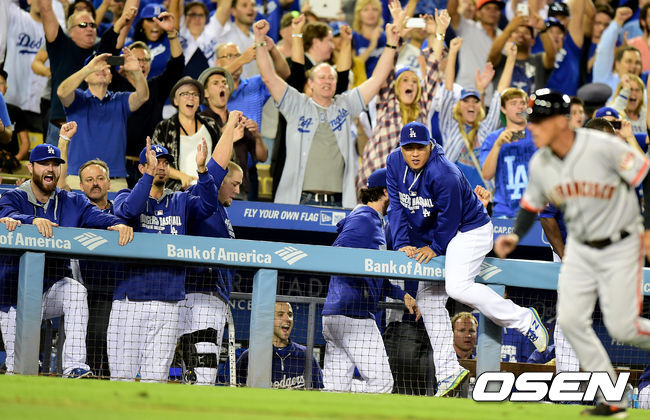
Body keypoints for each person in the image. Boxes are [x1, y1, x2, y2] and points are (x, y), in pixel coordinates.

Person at [494, 89, 650, 417]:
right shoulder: (542, 162)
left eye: (539, 120)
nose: (532, 126)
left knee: (624, 328)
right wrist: (515, 235)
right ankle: (612, 398)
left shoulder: (603, 145)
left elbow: (645, 176)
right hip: (580, 247)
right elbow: (532, 205)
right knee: (569, 321)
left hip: (620, 243)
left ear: (561, 122)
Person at [386, 122, 548, 397]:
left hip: (470, 230)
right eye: (408, 148)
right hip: (438, 235)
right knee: (428, 300)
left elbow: (449, 220)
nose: (414, 153)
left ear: (430, 146)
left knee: (457, 287)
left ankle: (523, 319)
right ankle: (448, 371)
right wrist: (402, 243)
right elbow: (397, 205)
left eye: (419, 148)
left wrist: (435, 247)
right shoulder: (393, 162)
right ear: (400, 148)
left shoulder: (444, 173)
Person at [0, 143, 133, 378]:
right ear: (31, 168)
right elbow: (5, 213)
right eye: (44, 164)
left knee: (75, 292)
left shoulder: (71, 200)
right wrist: (31, 221)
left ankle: (73, 366)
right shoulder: (14, 196)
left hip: (51, 287)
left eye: (55, 164)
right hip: (14, 296)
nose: (50, 169)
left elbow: (96, 215)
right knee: (17, 367)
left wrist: (116, 223)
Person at [255, 18, 402, 208]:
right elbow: (268, 77)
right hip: (300, 201)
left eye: (331, 78)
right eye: (322, 77)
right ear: (310, 83)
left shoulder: (345, 105)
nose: (327, 81)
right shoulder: (296, 104)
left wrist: (391, 44)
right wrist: (259, 40)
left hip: (339, 202)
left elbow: (378, 79)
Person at [109, 138, 218, 382]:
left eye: (165, 162)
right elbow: (129, 211)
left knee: (156, 378)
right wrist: (148, 176)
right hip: (131, 301)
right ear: (141, 168)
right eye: (154, 161)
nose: (161, 166)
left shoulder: (180, 200)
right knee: (122, 376)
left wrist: (202, 171)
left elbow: (209, 206)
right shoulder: (124, 195)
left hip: (169, 302)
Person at [322, 167, 420, 393]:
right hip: (353, 314)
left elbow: (373, 273)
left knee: (336, 389)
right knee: (382, 383)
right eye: (396, 190)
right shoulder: (364, 219)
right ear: (386, 192)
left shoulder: (372, 221)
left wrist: (402, 295)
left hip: (337, 315)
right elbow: (337, 253)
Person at [179, 111, 245, 385]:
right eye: (234, 184)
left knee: (197, 375)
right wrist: (228, 128)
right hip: (199, 295)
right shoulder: (201, 199)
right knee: (202, 377)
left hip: (211, 297)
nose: (238, 190)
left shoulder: (221, 211)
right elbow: (216, 167)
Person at [356, 10, 449, 192]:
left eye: (414, 81)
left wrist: (438, 33)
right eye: (405, 80)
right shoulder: (387, 101)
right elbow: (387, 68)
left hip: (407, 184)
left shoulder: (422, 106)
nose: (410, 84)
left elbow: (432, 68)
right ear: (396, 87)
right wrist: (398, 36)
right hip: (375, 179)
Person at [109, 11, 185, 188]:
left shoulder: (156, 87)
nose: (141, 64)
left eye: (146, 60)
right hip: (117, 165)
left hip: (149, 166)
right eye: (137, 60)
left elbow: (177, 65)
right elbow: (103, 58)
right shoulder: (114, 84)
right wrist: (121, 60)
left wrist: (172, 33)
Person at [57, 49, 149, 190]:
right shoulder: (77, 99)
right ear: (86, 77)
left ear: (111, 77)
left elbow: (143, 96)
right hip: (78, 179)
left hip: (114, 181)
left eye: (105, 67)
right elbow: (62, 92)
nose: (101, 70)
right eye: (96, 66)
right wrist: (88, 68)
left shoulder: (120, 100)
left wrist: (136, 72)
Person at [438, 37, 516, 189]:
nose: (471, 105)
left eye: (475, 101)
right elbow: (448, 90)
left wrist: (511, 59)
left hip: (483, 198)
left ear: (480, 106)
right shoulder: (450, 126)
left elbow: (500, 94)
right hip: (455, 195)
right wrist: (452, 53)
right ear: (459, 106)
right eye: (466, 101)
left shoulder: (486, 129)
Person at [198, 67, 268, 198]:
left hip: (240, 191)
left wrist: (257, 136)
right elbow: (201, 157)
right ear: (206, 93)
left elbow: (262, 157)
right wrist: (229, 137)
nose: (222, 86)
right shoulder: (200, 121)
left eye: (224, 83)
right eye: (216, 83)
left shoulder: (240, 119)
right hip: (213, 189)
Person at [151, 77, 221, 190]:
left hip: (209, 191)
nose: (191, 98)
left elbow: (222, 158)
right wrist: (181, 176)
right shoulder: (164, 128)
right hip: (176, 193)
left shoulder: (211, 125)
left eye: (195, 94)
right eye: (185, 94)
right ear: (175, 100)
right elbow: (155, 162)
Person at [236, 301, 324, 389]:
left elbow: (318, 391)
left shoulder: (306, 355)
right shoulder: (251, 356)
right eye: (280, 315)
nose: (288, 319)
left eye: (290, 315)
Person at [480, 87, 535, 217]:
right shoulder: (493, 138)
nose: (520, 107)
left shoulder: (538, 133)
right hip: (504, 212)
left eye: (523, 103)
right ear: (503, 109)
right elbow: (487, 175)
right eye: (513, 103)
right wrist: (497, 145)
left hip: (535, 210)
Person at [447, 0, 504, 101]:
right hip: (462, 92)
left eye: (496, 9)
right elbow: (452, 12)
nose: (492, 12)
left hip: (488, 96)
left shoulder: (503, 36)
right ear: (478, 13)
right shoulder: (467, 27)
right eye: (488, 8)